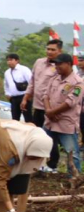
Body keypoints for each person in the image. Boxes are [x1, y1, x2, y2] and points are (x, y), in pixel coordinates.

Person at [22, 39, 63, 173]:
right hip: (37, 105)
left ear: (59, 51)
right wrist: (26, 97)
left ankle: (53, 164)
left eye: (53, 50)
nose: (49, 52)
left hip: (52, 108)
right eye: (48, 49)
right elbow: (32, 82)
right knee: (38, 135)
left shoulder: (60, 66)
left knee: (51, 137)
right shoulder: (39, 62)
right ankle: (39, 164)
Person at [43, 53, 84, 175]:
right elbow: (45, 96)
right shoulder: (54, 79)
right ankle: (41, 170)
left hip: (66, 123)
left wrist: (52, 111)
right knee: (39, 146)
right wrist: (48, 111)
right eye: (55, 64)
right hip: (50, 122)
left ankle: (75, 177)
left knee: (72, 153)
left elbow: (70, 102)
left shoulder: (78, 82)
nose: (57, 66)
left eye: (59, 63)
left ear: (69, 64)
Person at [4, 53, 32, 122]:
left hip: (24, 97)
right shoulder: (7, 72)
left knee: (28, 118)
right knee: (15, 119)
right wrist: (7, 94)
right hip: (13, 98)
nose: (9, 62)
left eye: (11, 60)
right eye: (8, 60)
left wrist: (28, 97)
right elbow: (6, 85)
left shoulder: (24, 69)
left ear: (17, 61)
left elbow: (31, 82)